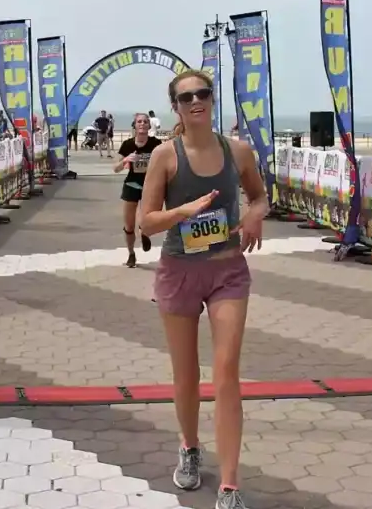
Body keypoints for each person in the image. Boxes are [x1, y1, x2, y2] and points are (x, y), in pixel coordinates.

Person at [140, 70, 267, 509]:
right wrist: (183, 211)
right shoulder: (165, 156)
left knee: (227, 371)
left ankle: (230, 486)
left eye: (203, 94)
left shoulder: (238, 151)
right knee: (187, 373)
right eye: (186, 96)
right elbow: (146, 221)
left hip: (227, 271)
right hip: (179, 272)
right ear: (175, 107)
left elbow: (260, 194)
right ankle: (190, 447)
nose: (196, 101)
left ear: (212, 100)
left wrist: (253, 215)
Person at [114, 113, 162, 268]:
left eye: (145, 122)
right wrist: (126, 160)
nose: (142, 124)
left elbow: (165, 163)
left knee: (145, 219)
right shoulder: (128, 144)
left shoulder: (156, 144)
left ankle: (145, 233)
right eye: (139, 121)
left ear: (149, 126)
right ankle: (131, 254)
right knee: (129, 226)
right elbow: (115, 168)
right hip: (132, 184)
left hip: (150, 185)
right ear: (134, 126)